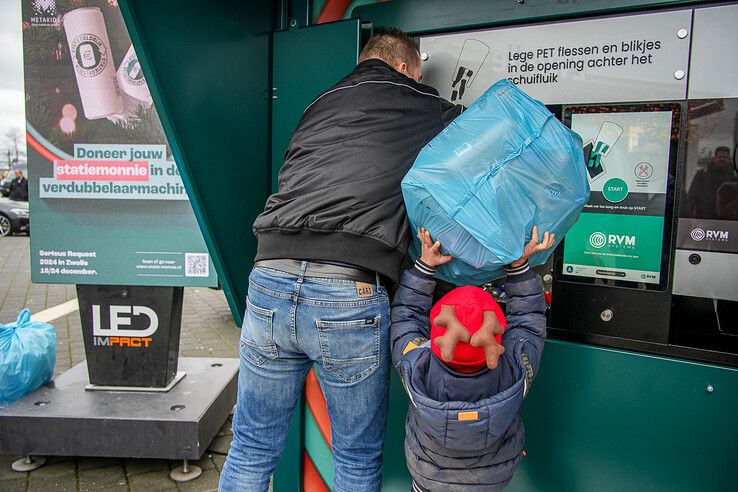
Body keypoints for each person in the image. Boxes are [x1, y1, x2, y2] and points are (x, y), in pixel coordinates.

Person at [219, 28, 463, 492]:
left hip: (270, 279)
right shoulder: (423, 103)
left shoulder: (319, 103)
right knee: (354, 458)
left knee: (250, 449)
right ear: (407, 68)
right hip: (347, 293)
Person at [391, 226, 554, 491]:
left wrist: (424, 267)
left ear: (437, 334)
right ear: (496, 336)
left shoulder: (416, 364)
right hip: (491, 481)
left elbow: (406, 316)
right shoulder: (514, 368)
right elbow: (529, 323)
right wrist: (518, 267)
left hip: (428, 479)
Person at [688, 146, 736, 219]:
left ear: (728, 159)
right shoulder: (702, 175)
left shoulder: (734, 177)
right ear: (714, 158)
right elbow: (692, 197)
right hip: (704, 218)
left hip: (728, 220)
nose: (722, 159)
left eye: (724, 157)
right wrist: (691, 217)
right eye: (719, 157)